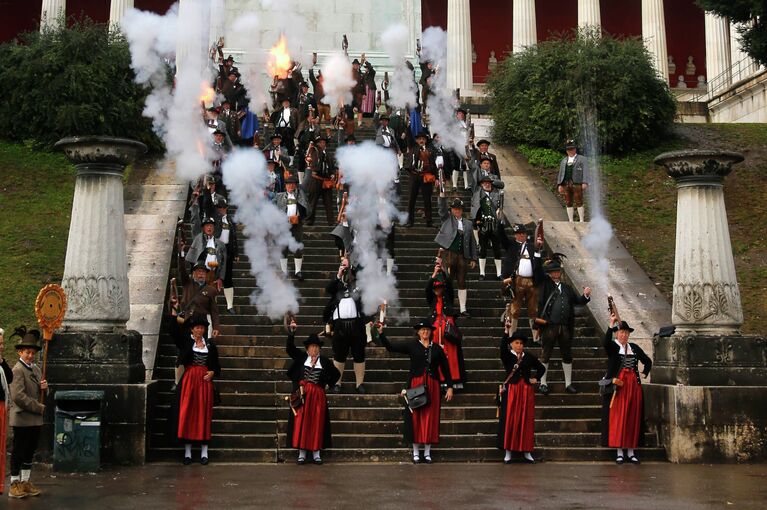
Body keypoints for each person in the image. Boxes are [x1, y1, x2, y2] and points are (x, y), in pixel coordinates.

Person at [377, 319, 454, 464]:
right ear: (418, 332)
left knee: (430, 417)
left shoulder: (437, 349)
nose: (425, 332)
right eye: (422, 330)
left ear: (431, 332)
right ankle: (416, 452)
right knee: (415, 417)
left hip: (433, 386)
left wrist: (449, 386)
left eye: (427, 330)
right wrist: (381, 334)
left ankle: (427, 452)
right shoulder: (412, 345)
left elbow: (445, 368)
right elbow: (391, 347)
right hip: (416, 385)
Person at [285, 322, 341, 465]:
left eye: (317, 347)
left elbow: (336, 374)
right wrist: (292, 333)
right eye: (312, 347)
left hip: (318, 397)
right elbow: (290, 349)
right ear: (307, 349)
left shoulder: (325, 361)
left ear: (319, 349)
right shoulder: (302, 358)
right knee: (302, 423)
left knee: (317, 423)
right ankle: (302, 453)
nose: (314, 349)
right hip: (303, 396)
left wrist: (328, 383)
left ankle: (316, 453)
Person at [535, 257, 591, 395]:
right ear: (549, 273)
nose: (556, 274)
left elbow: (578, 301)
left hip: (565, 327)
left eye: (557, 271)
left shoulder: (567, 288)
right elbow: (537, 272)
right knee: (545, 354)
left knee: (567, 355)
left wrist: (585, 295)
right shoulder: (545, 285)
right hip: (549, 326)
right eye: (553, 271)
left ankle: (568, 384)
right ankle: (542, 383)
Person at [170, 315, 221, 465]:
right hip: (189, 382)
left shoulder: (210, 345)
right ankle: (188, 452)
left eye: (202, 328)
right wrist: (175, 316)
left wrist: (212, 373)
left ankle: (205, 452)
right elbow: (173, 332)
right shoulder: (186, 342)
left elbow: (217, 366)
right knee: (188, 413)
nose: (200, 330)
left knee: (203, 414)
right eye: (197, 327)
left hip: (204, 384)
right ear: (192, 329)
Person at [602, 314, 652, 464]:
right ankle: (619, 451)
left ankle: (631, 451)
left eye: (626, 333)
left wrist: (645, 372)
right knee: (619, 418)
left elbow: (647, 361)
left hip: (634, 387)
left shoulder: (634, 348)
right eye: (621, 332)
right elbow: (605, 343)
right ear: (617, 334)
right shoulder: (613, 347)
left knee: (632, 418)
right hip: (619, 388)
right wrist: (611, 324)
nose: (624, 335)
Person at [8, 327, 47, 499]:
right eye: (27, 353)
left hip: (35, 420)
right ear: (20, 353)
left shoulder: (37, 369)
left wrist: (45, 388)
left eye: (32, 353)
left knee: (30, 451)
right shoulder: (17, 370)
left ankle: (25, 481)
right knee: (19, 451)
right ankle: (14, 483)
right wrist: (37, 407)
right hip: (23, 419)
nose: (30, 356)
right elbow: (18, 396)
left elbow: (41, 391)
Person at [497, 329, 546, 464]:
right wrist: (506, 332)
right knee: (510, 419)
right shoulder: (507, 356)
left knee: (526, 419)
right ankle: (508, 451)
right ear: (511, 344)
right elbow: (502, 348)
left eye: (521, 343)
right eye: (516, 343)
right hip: (512, 390)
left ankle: (526, 451)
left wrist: (535, 378)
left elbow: (542, 368)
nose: (519, 345)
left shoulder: (528, 357)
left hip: (525, 391)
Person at [323, 257, 367, 394]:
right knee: (339, 354)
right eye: (343, 265)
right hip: (339, 326)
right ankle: (337, 383)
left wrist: (354, 273)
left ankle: (359, 384)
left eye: (347, 265)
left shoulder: (357, 283)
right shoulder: (337, 284)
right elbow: (328, 289)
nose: (345, 267)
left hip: (356, 326)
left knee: (359, 354)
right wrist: (338, 275)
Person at [500, 223, 545, 343]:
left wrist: (538, 247)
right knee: (514, 310)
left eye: (523, 233)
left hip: (531, 281)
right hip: (517, 281)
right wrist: (500, 223)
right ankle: (511, 336)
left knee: (533, 310)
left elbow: (538, 262)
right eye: (519, 234)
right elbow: (501, 236)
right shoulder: (511, 245)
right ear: (515, 235)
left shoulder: (531, 247)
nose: (521, 236)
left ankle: (536, 337)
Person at [435, 195, 478, 317]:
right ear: (452, 210)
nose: (457, 210)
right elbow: (442, 210)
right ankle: (446, 306)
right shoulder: (447, 219)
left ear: (462, 210)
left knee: (462, 281)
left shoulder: (468, 224)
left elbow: (472, 242)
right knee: (447, 280)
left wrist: (474, 258)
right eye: (454, 208)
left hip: (462, 256)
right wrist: (442, 198)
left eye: (459, 208)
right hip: (449, 254)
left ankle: (462, 308)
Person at [426, 270, 465, 389]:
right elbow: (427, 289)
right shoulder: (431, 299)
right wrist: (433, 274)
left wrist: (442, 270)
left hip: (448, 329)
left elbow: (449, 283)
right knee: (437, 354)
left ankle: (454, 379)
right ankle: (440, 379)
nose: (438, 290)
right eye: (436, 288)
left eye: (440, 287)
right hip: (435, 330)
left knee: (452, 354)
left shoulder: (448, 297)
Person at [470, 174, 505, 280]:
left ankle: (499, 273)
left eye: (489, 183)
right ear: (481, 184)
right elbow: (474, 208)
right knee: (483, 250)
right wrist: (477, 221)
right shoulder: (477, 195)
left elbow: (500, 208)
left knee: (497, 250)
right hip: (483, 224)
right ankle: (482, 273)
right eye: (485, 183)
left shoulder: (497, 194)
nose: (487, 184)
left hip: (494, 224)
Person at [276, 176, 309, 280]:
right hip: (283, 225)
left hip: (297, 224)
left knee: (298, 246)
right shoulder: (279, 196)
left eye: (293, 184)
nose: (291, 186)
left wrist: (298, 217)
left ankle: (298, 271)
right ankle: (283, 271)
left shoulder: (300, 195)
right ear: (285, 185)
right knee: (283, 247)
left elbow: (306, 208)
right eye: (289, 184)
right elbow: (274, 209)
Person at [404, 132, 437, 227]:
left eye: (423, 139)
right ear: (416, 140)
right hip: (414, 175)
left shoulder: (431, 150)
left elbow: (434, 165)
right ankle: (410, 221)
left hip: (425, 176)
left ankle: (429, 221)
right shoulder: (413, 149)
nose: (421, 140)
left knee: (427, 200)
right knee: (411, 200)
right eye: (419, 139)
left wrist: (436, 177)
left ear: (426, 140)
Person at [185, 217, 227, 290]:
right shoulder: (198, 239)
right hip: (199, 272)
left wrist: (221, 278)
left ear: (214, 228)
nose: (209, 228)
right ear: (203, 228)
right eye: (207, 226)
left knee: (211, 297)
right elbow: (191, 258)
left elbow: (223, 263)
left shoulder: (220, 244)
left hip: (212, 274)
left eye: (211, 226)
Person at [304, 136, 337, 226]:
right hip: (316, 179)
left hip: (326, 180)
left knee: (329, 202)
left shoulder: (327, 154)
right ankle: (309, 221)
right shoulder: (314, 151)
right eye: (320, 142)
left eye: (323, 142)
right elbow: (312, 162)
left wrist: (333, 173)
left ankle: (331, 222)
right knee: (312, 201)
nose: (322, 144)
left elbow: (332, 167)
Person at [214, 198, 238, 314]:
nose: (221, 209)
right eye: (219, 207)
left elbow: (234, 237)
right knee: (213, 276)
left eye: (223, 207)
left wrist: (236, 252)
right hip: (215, 250)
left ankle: (229, 305)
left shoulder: (230, 220)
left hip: (228, 250)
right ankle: (212, 303)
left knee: (228, 277)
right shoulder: (214, 219)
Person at [557, 139, 589, 222]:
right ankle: (570, 220)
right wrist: (559, 184)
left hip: (577, 183)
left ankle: (581, 220)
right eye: (568, 149)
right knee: (568, 201)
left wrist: (585, 182)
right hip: (566, 183)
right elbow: (561, 173)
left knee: (579, 200)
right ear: (567, 151)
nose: (570, 151)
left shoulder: (582, 159)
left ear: (575, 149)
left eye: (572, 149)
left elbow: (586, 171)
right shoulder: (564, 160)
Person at [0, 327, 13, 497]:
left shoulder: (1, 364)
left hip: (2, 406)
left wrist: (2, 360)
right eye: (0, 344)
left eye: (2, 343)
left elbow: (10, 377)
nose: (2, 346)